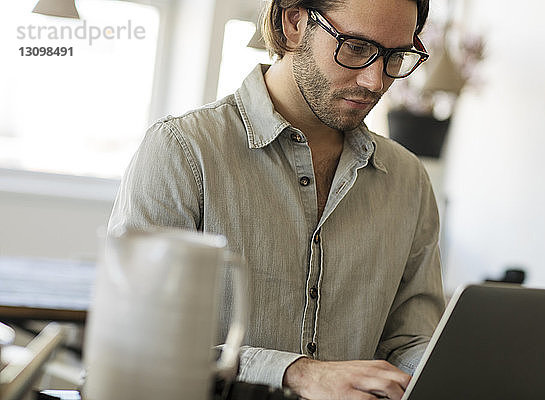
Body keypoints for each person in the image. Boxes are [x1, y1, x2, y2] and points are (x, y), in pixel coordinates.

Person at [108, 0, 445, 398]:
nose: (376, 81)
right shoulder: (183, 151)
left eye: (396, 56)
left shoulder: (408, 179)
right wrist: (297, 373)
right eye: (356, 47)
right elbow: (136, 344)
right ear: (294, 21)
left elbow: (410, 342)